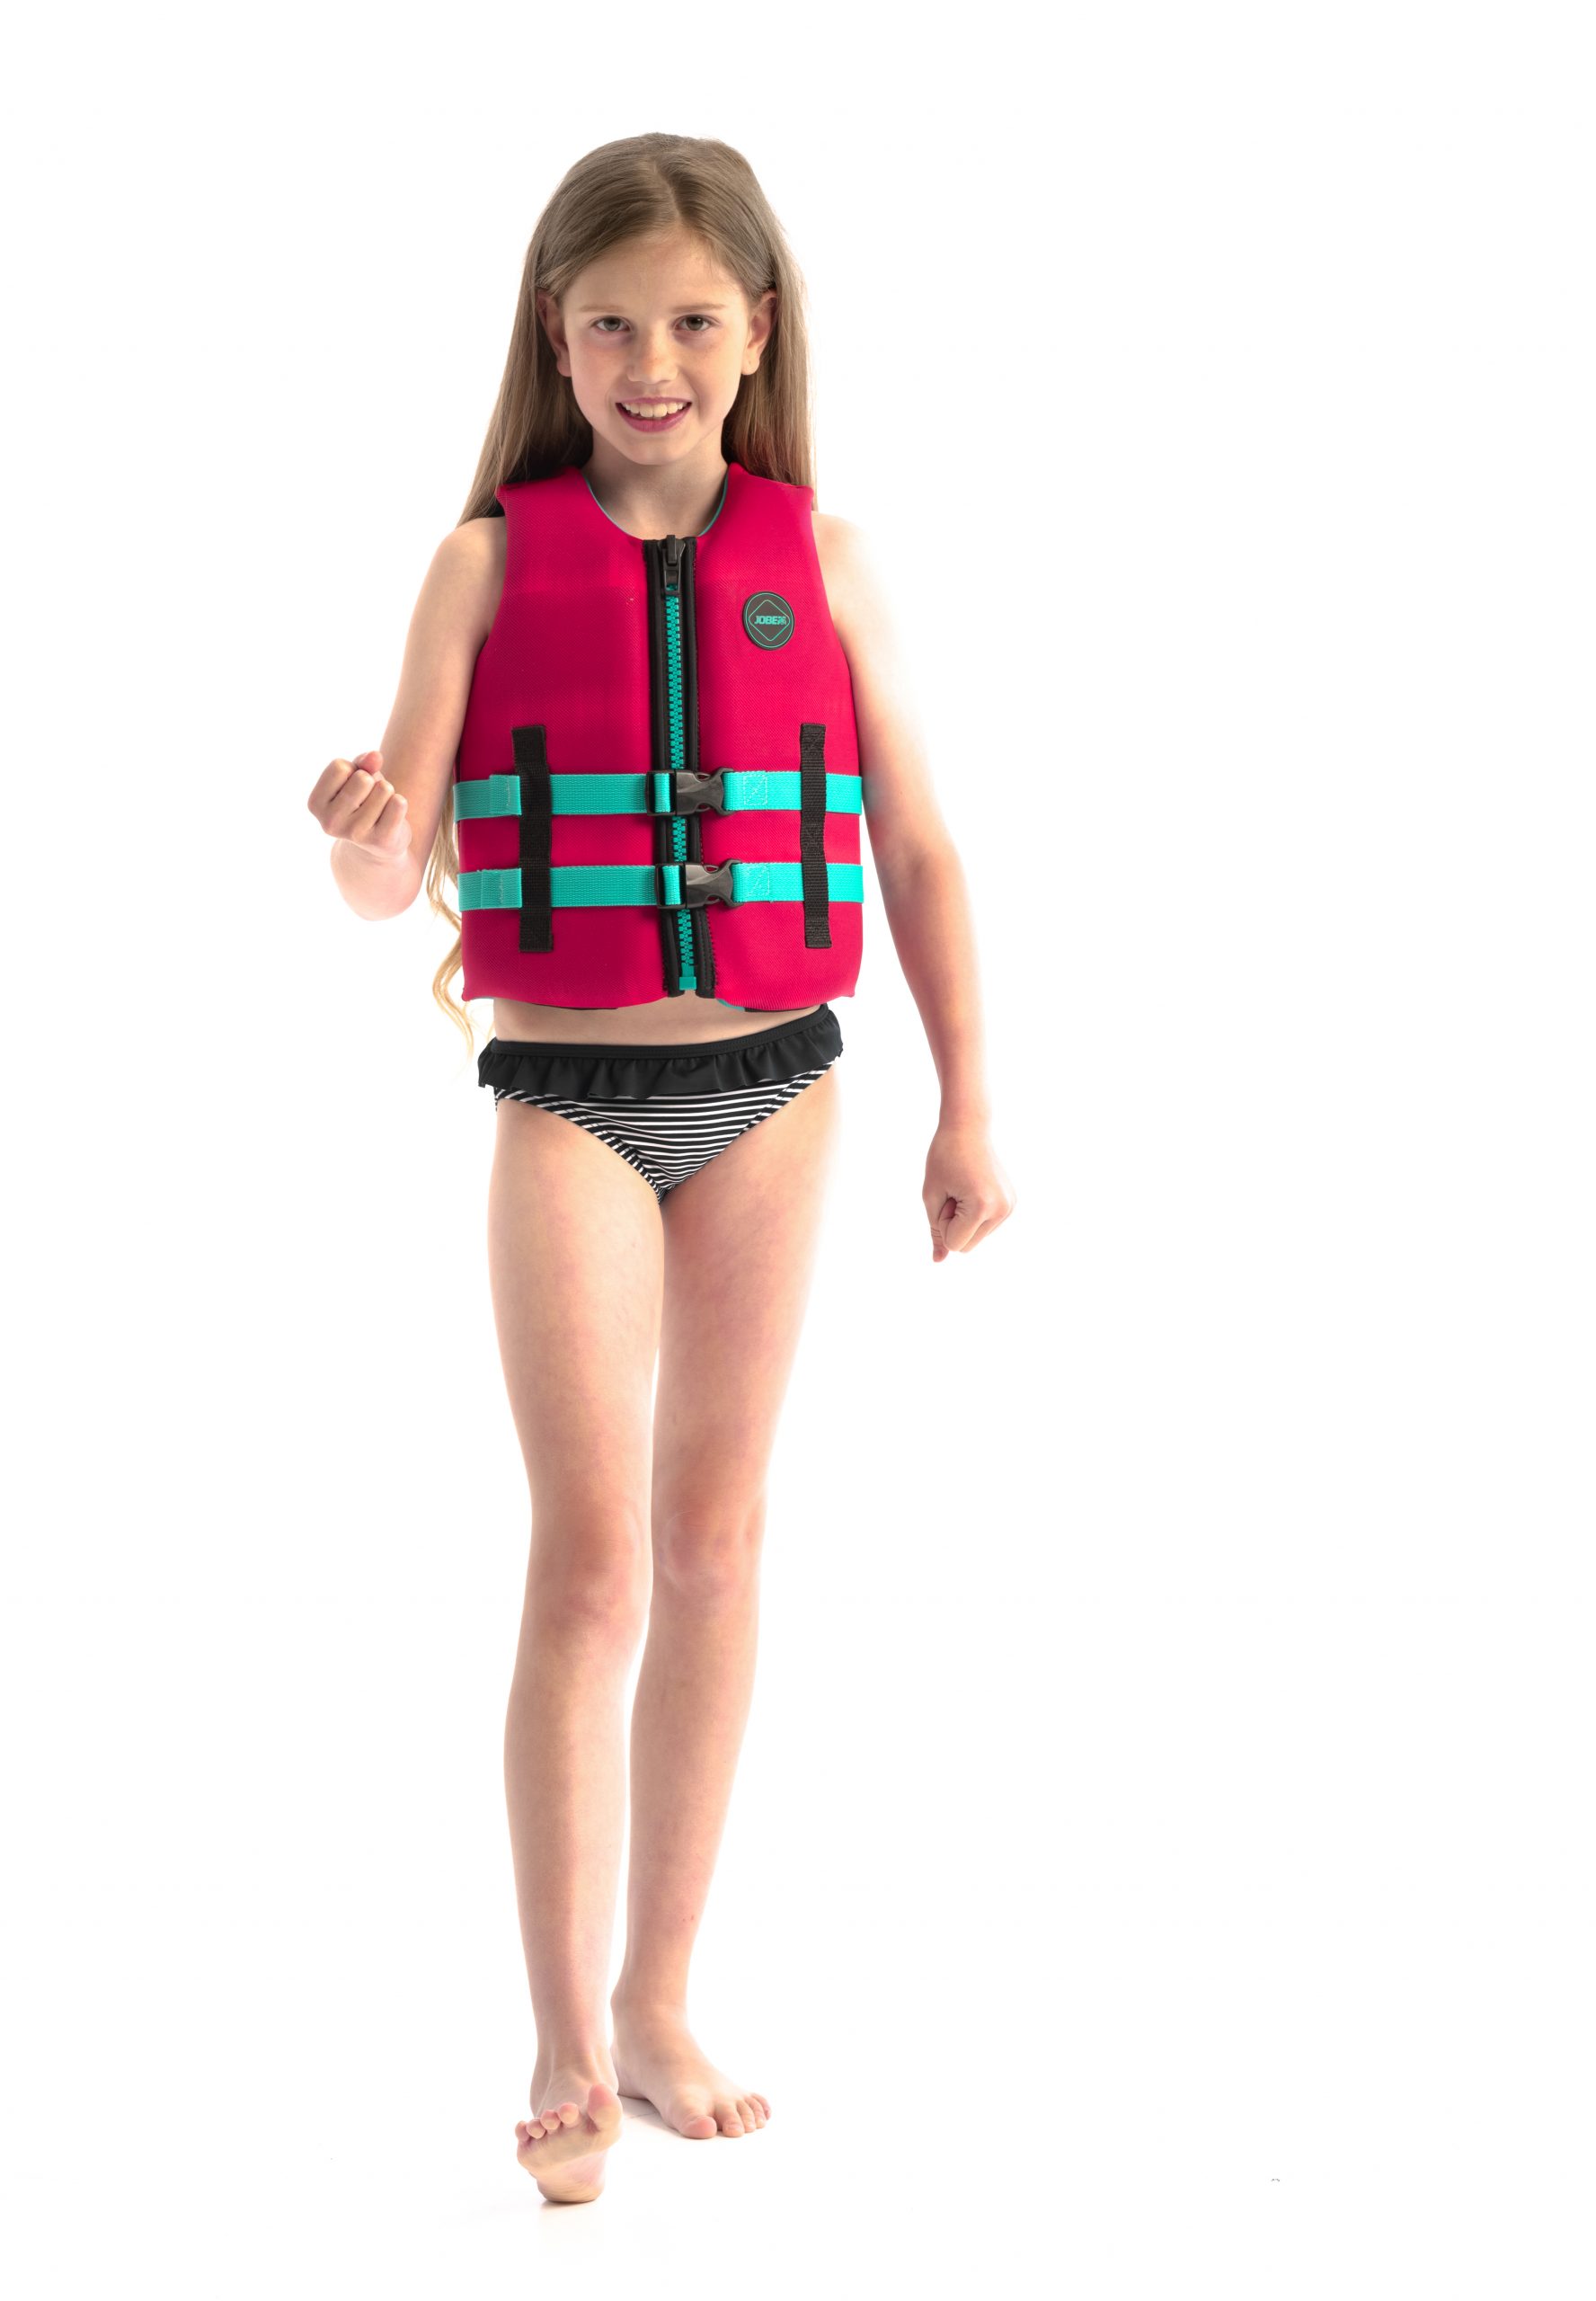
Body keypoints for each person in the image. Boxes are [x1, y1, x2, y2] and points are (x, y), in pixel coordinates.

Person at [306, 131, 1015, 2207]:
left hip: (778, 1092)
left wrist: (969, 1102)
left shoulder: (833, 559)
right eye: (610, 324)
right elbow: (389, 877)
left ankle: (658, 1995)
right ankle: (554, 2030)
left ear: (757, 333)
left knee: (713, 1545)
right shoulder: (479, 566)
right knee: (593, 1557)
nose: (651, 363)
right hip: (567, 1100)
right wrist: (363, 837)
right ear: (554, 336)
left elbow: (915, 848)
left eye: (693, 322)